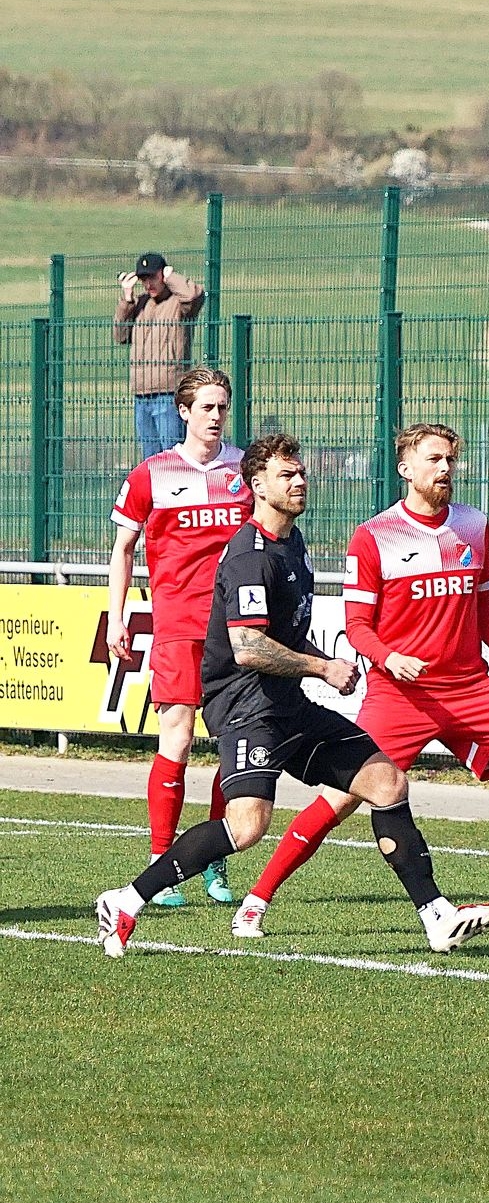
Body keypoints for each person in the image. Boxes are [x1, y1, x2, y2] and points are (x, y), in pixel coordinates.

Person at [95, 433, 489, 959]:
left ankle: (437, 917)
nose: (299, 482)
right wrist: (322, 667)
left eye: (301, 473)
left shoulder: (293, 543)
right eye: (286, 475)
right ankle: (126, 900)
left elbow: (282, 637)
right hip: (248, 709)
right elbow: (248, 647)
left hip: (289, 705)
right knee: (247, 826)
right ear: (256, 485)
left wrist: (325, 664)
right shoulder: (250, 556)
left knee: (386, 782)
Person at [230, 423, 489, 943]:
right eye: (434, 460)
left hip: (471, 690)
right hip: (401, 697)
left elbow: (482, 603)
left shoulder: (474, 525)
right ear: (405, 469)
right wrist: (389, 658)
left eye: (450, 461)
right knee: (340, 799)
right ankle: (256, 901)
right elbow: (357, 627)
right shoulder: (373, 536)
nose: (445, 469)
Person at [106, 367, 251, 908]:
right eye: (206, 407)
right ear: (184, 411)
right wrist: (117, 616)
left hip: (239, 630)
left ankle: (214, 857)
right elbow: (122, 550)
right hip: (179, 627)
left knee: (236, 746)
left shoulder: (246, 470)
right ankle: (161, 860)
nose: (216, 416)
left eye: (222, 407)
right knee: (179, 737)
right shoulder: (152, 474)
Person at [113, 252, 206, 461]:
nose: (148, 284)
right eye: (143, 279)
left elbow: (194, 296)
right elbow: (120, 335)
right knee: (151, 461)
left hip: (168, 392)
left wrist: (172, 277)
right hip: (141, 394)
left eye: (153, 277)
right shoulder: (140, 304)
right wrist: (127, 299)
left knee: (174, 458)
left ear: (162, 275)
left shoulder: (178, 304)